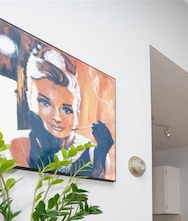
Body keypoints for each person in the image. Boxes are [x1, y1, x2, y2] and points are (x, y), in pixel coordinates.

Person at [9, 45, 114, 179]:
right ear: (29, 99)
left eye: (66, 109)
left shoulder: (95, 155)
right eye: (45, 103)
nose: (57, 118)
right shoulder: (19, 144)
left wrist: (100, 157)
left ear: (77, 113)